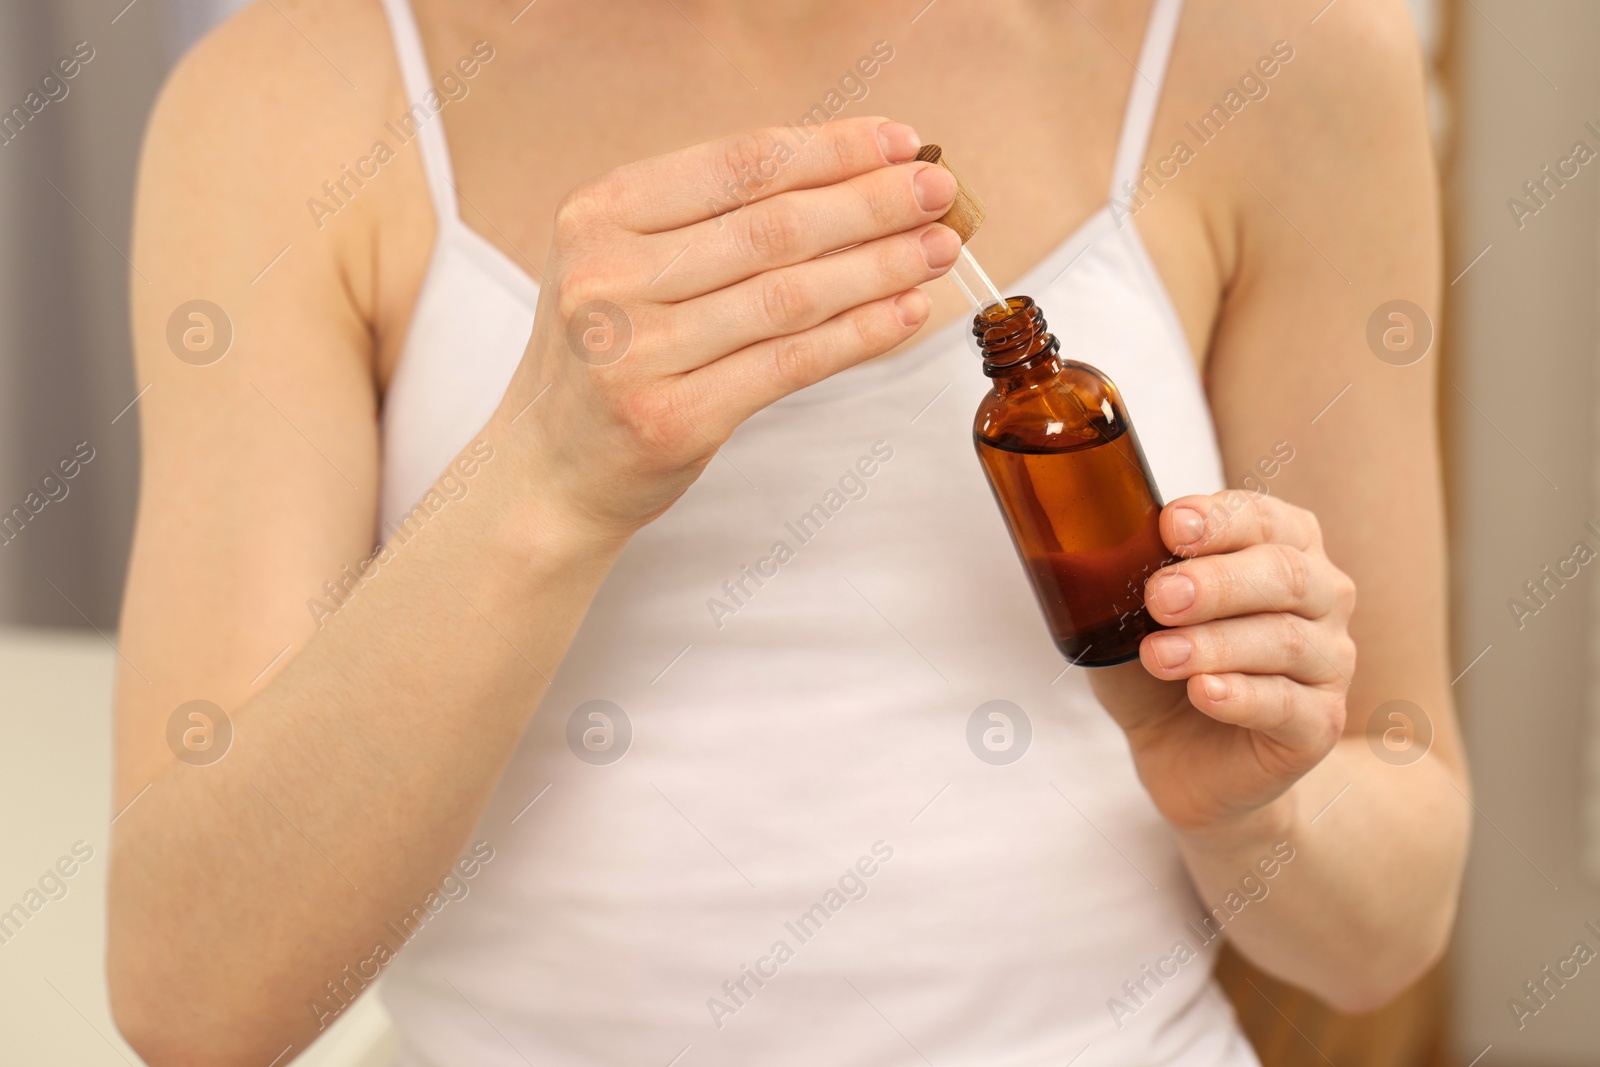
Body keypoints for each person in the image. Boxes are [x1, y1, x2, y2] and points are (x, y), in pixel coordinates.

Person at [108, 0, 1468, 1063]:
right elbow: (195, 999)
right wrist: (546, 480)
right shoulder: (287, 103)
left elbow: (1388, 931)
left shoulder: (1278, 56)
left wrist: (1255, 808)